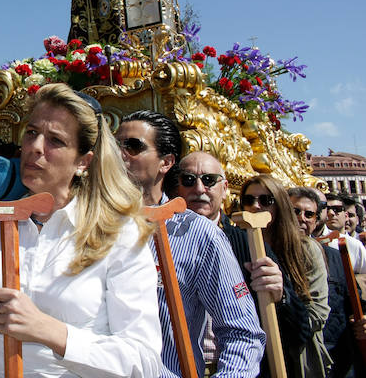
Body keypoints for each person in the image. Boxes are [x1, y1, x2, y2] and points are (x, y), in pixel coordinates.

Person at [0, 83, 161, 377]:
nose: (36, 147)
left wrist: (51, 331)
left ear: (83, 162)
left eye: (55, 140)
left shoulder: (118, 232)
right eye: (32, 132)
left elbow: (145, 362)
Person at [114, 110, 264, 377]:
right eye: (116, 146)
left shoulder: (198, 235)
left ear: (166, 162)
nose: (120, 154)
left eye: (134, 146)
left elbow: (241, 332)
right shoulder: (85, 224)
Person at [168, 152, 305, 375]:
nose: (200, 189)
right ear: (177, 188)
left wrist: (281, 297)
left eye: (209, 180)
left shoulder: (250, 243)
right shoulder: (161, 240)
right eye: (189, 180)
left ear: (225, 189)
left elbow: (300, 330)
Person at [240, 175, 331, 377]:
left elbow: (317, 314)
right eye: (249, 200)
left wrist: (283, 297)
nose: (256, 207)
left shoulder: (306, 250)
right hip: (250, 355)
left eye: (265, 201)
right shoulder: (237, 244)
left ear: (280, 205)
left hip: (295, 356)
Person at [289, 186, 360, 377]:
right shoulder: (269, 253)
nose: (301, 218)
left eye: (310, 213)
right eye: (295, 211)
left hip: (335, 359)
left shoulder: (338, 256)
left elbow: (356, 302)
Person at [322, 192, 366, 273]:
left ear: (346, 216)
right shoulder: (314, 242)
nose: (331, 213)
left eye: (337, 209)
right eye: (327, 209)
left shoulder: (355, 245)